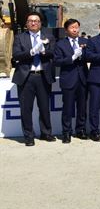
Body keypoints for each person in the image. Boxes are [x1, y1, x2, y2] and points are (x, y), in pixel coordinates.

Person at [11, 11, 57, 146]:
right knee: (26, 108)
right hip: (26, 77)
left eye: (36, 21)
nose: (33, 23)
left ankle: (46, 133)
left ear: (40, 23)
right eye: (30, 21)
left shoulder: (48, 36)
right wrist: (32, 52)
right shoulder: (20, 37)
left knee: (44, 107)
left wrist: (42, 50)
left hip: (43, 76)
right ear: (26, 24)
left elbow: (53, 53)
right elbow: (16, 55)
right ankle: (28, 136)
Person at [53, 19, 89, 144]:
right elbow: (57, 61)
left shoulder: (85, 41)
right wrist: (72, 57)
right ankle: (66, 132)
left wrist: (82, 55)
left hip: (83, 78)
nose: (75, 30)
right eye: (72, 27)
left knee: (82, 107)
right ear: (66, 30)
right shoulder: (60, 44)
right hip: (68, 79)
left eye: (77, 27)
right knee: (67, 108)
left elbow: (91, 56)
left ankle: (81, 130)